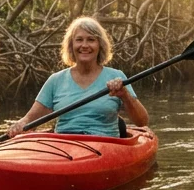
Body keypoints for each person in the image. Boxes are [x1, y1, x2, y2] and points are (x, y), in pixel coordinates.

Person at [8, 16, 149, 138]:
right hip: (64, 146)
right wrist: (20, 124)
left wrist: (125, 95)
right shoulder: (55, 80)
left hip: (105, 144)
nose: (85, 45)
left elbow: (142, 121)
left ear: (100, 45)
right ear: (71, 45)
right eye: (79, 40)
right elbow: (29, 119)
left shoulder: (116, 76)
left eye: (91, 40)